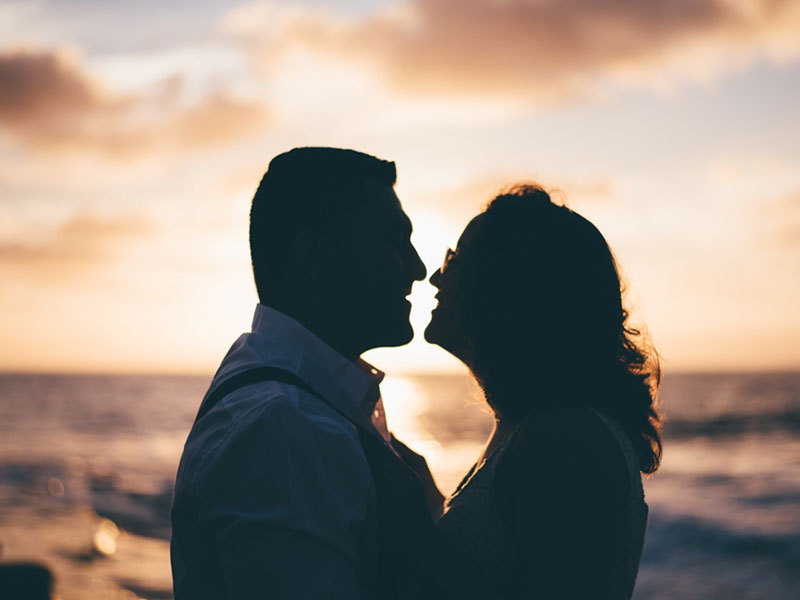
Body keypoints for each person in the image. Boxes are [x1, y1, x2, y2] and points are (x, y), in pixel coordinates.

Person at [170, 147, 438, 599]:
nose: (417, 267)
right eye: (393, 242)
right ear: (313, 258)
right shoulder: (285, 428)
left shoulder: (304, 402)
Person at [417, 184, 663, 599]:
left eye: (454, 260)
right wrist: (427, 498)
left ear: (503, 286)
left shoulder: (566, 439)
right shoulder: (531, 428)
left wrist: (411, 530)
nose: (436, 276)